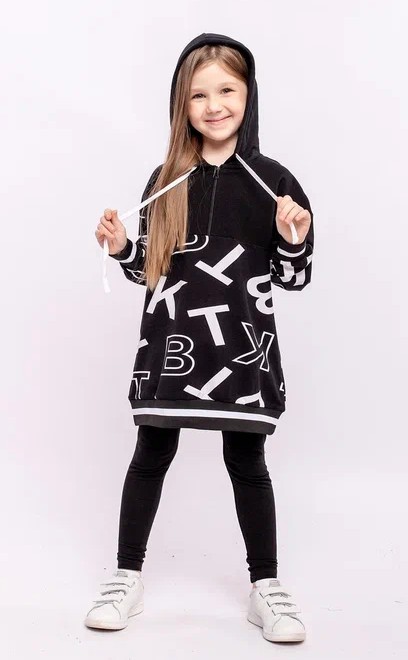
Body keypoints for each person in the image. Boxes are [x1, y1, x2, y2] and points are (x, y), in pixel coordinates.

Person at [85, 32, 314, 644]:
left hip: (240, 352)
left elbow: (293, 278)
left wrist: (293, 238)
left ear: (248, 95)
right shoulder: (167, 178)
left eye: (227, 91)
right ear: (181, 104)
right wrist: (122, 248)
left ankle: (265, 585)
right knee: (150, 455)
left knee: (248, 462)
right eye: (198, 95)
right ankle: (126, 576)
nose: (214, 106)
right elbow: (151, 270)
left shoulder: (273, 181)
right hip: (172, 348)